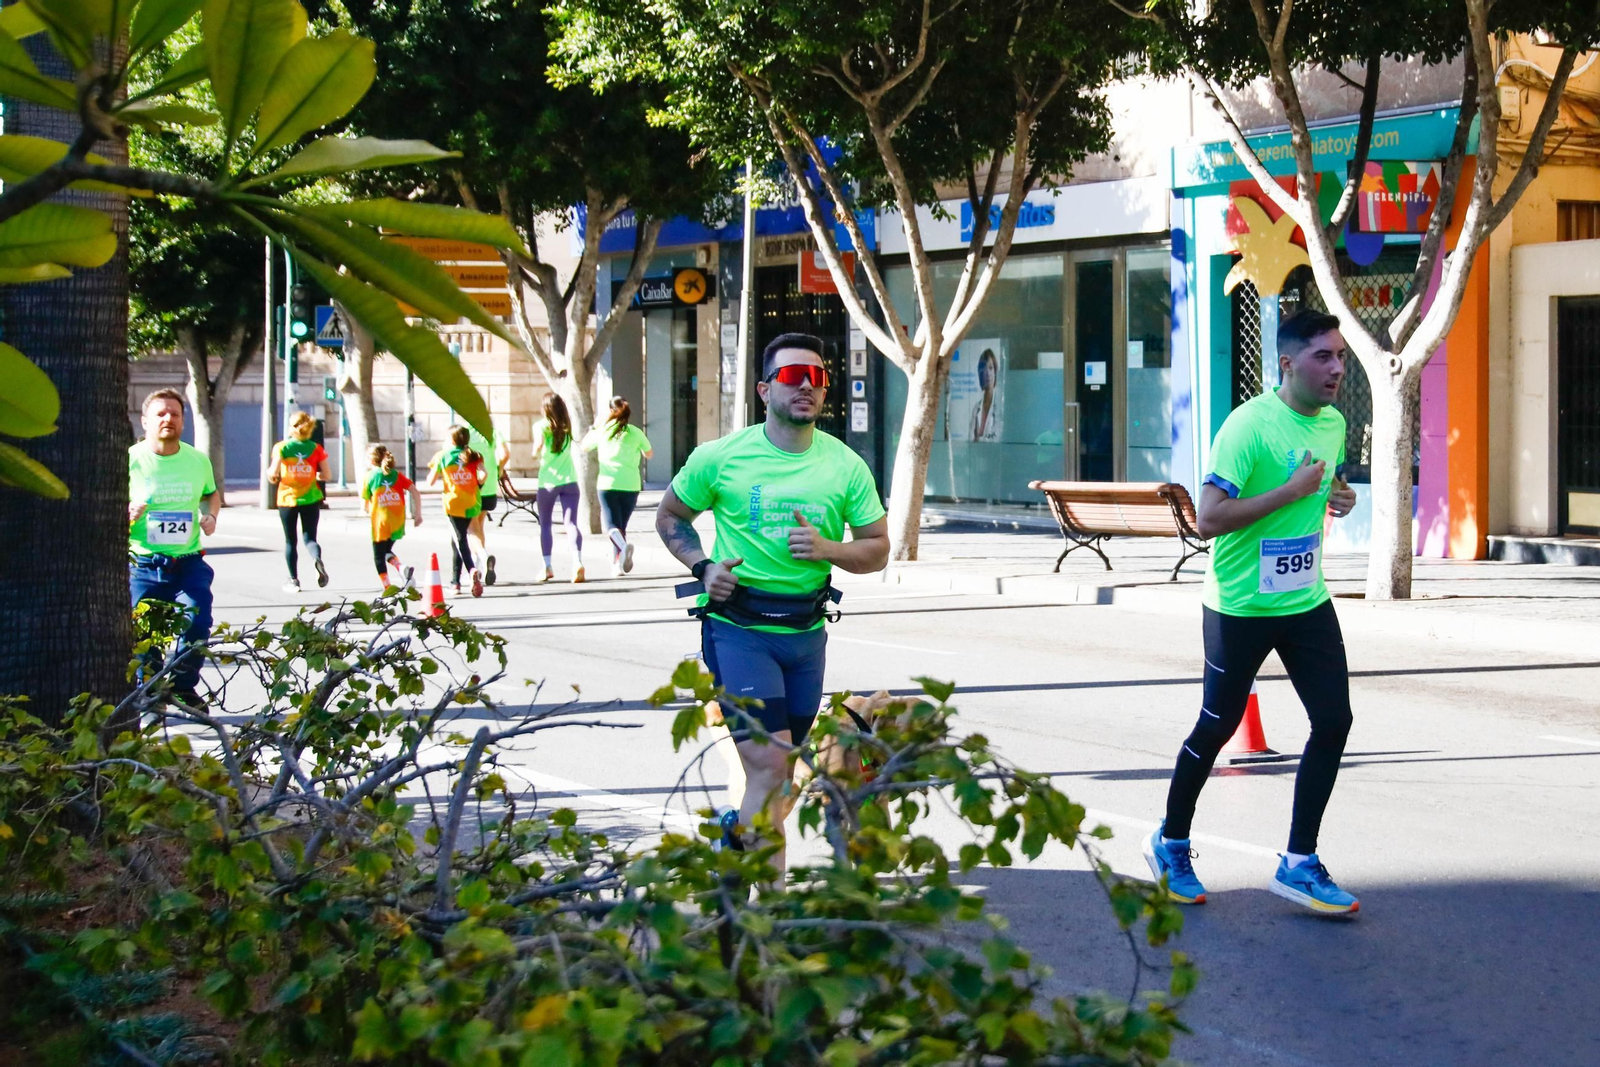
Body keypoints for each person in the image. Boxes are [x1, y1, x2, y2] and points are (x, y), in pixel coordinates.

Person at [1144, 309, 1361, 916]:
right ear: (1287, 364)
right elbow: (1209, 518)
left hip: (1305, 599)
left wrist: (1335, 495)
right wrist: (1290, 494)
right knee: (1217, 725)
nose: (1337, 368)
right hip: (1240, 604)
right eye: (1324, 357)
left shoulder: (1334, 422)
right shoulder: (1248, 427)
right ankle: (1170, 843)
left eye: (1341, 356)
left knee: (1335, 720)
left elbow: (1327, 484)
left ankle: (1298, 863)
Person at [657, 332, 890, 875]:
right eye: (791, 376)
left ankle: (732, 842)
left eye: (816, 377)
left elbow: (877, 548)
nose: (806, 385)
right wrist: (703, 567)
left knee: (780, 778)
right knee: (769, 767)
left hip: (806, 636)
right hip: (739, 630)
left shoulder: (846, 466)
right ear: (765, 389)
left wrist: (831, 549)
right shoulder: (720, 457)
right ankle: (767, 912)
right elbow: (670, 518)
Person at [128, 388, 221, 705]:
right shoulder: (130, 461)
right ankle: (150, 691)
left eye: (175, 414)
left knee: (197, 618)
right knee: (143, 632)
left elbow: (210, 493)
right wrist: (126, 513)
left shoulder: (197, 460)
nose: (168, 419)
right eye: (160, 414)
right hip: (143, 563)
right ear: (145, 421)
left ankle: (183, 687)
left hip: (188, 561)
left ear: (183, 422)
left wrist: (210, 516)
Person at [582, 395, 652, 576]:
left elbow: (584, 446)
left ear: (610, 412)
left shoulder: (603, 431)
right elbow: (649, 454)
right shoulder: (636, 432)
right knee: (621, 527)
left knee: (612, 526)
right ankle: (617, 564)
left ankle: (622, 549)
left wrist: (597, 425)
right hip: (631, 484)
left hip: (608, 484)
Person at [267, 411, 331, 593]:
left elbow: (273, 472)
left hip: (288, 498)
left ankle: (293, 580)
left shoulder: (282, 447)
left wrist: (271, 476)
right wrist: (314, 474)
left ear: (293, 428)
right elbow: (327, 475)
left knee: (290, 541)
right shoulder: (316, 448)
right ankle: (316, 557)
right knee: (310, 538)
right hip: (311, 498)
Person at [427, 425, 487, 597]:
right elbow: (484, 475)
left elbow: (430, 480)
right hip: (471, 500)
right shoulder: (474, 455)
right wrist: (477, 484)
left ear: (452, 441)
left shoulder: (442, 456)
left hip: (453, 503)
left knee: (460, 540)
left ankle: (471, 570)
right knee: (458, 541)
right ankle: (455, 582)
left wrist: (440, 474)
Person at [531, 393, 585, 584]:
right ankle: (577, 561)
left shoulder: (540, 426)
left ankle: (547, 565)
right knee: (571, 523)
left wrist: (534, 453)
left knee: (545, 524)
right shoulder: (567, 425)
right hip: (570, 481)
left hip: (547, 482)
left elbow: (537, 447)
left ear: (545, 408)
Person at [361, 444, 423, 592]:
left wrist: (370, 509)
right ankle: (401, 568)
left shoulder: (370, 476)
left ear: (371, 459)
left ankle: (387, 586)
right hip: (397, 519)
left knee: (378, 555)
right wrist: (418, 514)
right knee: (386, 550)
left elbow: (365, 505)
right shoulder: (396, 475)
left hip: (380, 521)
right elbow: (415, 491)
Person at [466, 425, 508, 586]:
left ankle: (482, 559)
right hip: (489, 484)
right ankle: (479, 568)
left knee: (472, 528)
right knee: (479, 526)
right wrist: (499, 469)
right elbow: (505, 454)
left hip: (472, 484)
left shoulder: (464, 432)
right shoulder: (493, 430)